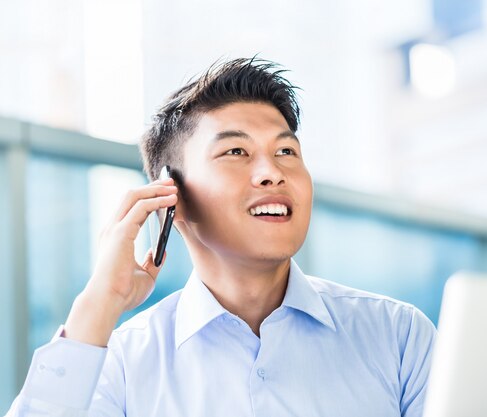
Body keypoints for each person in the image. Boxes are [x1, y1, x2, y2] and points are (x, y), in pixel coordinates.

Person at [6, 57, 436, 417]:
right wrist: (100, 300)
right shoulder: (122, 364)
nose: (272, 171)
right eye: (236, 152)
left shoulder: (397, 336)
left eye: (286, 151)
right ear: (170, 197)